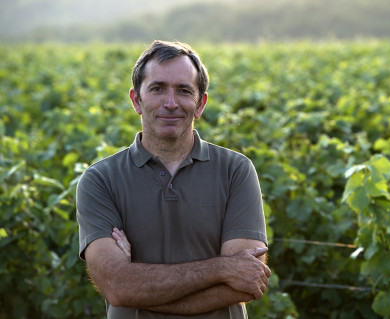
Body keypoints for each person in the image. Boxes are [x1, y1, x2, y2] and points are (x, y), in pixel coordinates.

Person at [76, 40, 271, 319]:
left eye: (183, 91)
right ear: (136, 100)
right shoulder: (100, 179)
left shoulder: (236, 170)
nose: (170, 103)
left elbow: (245, 283)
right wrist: (222, 269)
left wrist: (138, 288)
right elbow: (117, 287)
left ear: (200, 103)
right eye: (157, 89)